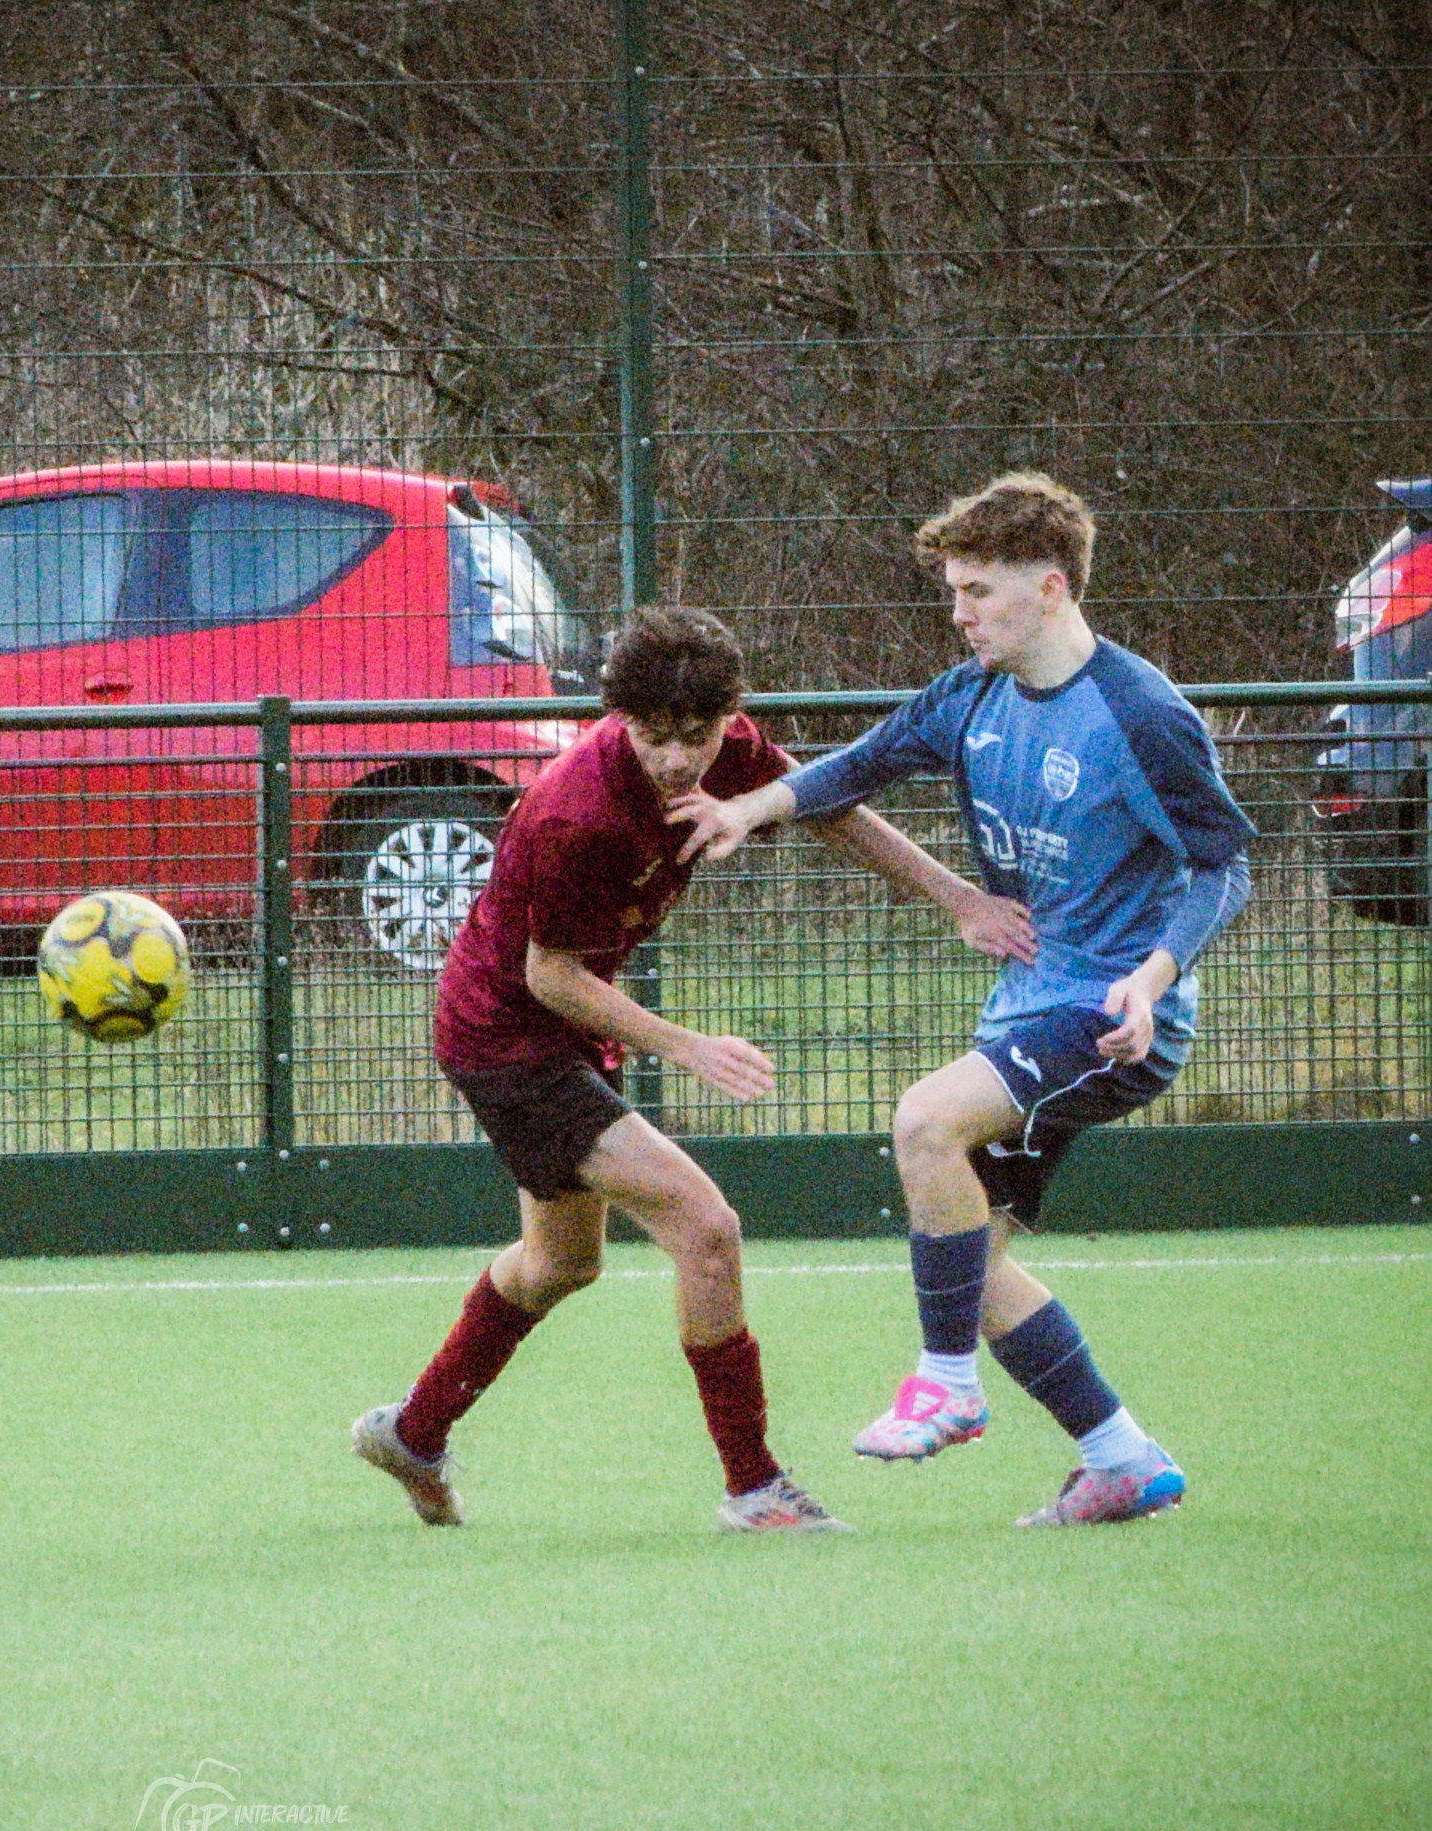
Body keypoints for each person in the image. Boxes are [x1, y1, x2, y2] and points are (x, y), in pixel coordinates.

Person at [351, 606, 1037, 1533]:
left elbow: (823, 802)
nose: (676, 760)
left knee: (560, 1263)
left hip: (557, 1026)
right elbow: (547, 974)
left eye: (697, 737)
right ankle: (753, 1487)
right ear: (619, 719)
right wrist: (685, 1046)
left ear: (728, 718)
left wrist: (955, 895)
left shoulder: (729, 747)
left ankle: (416, 1433)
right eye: (651, 737)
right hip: (509, 1036)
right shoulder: (578, 814)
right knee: (707, 1228)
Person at [672, 471, 1254, 1526]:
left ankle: (942, 1387)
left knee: (924, 1119)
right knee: (971, 1266)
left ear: (1051, 587)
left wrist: (1155, 972)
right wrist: (745, 807)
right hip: (1032, 1006)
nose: (959, 611)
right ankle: (1119, 1457)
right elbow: (861, 764)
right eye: (954, 589)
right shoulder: (970, 697)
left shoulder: (1140, 713)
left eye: (978, 590)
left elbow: (1222, 867)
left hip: (1118, 1017)